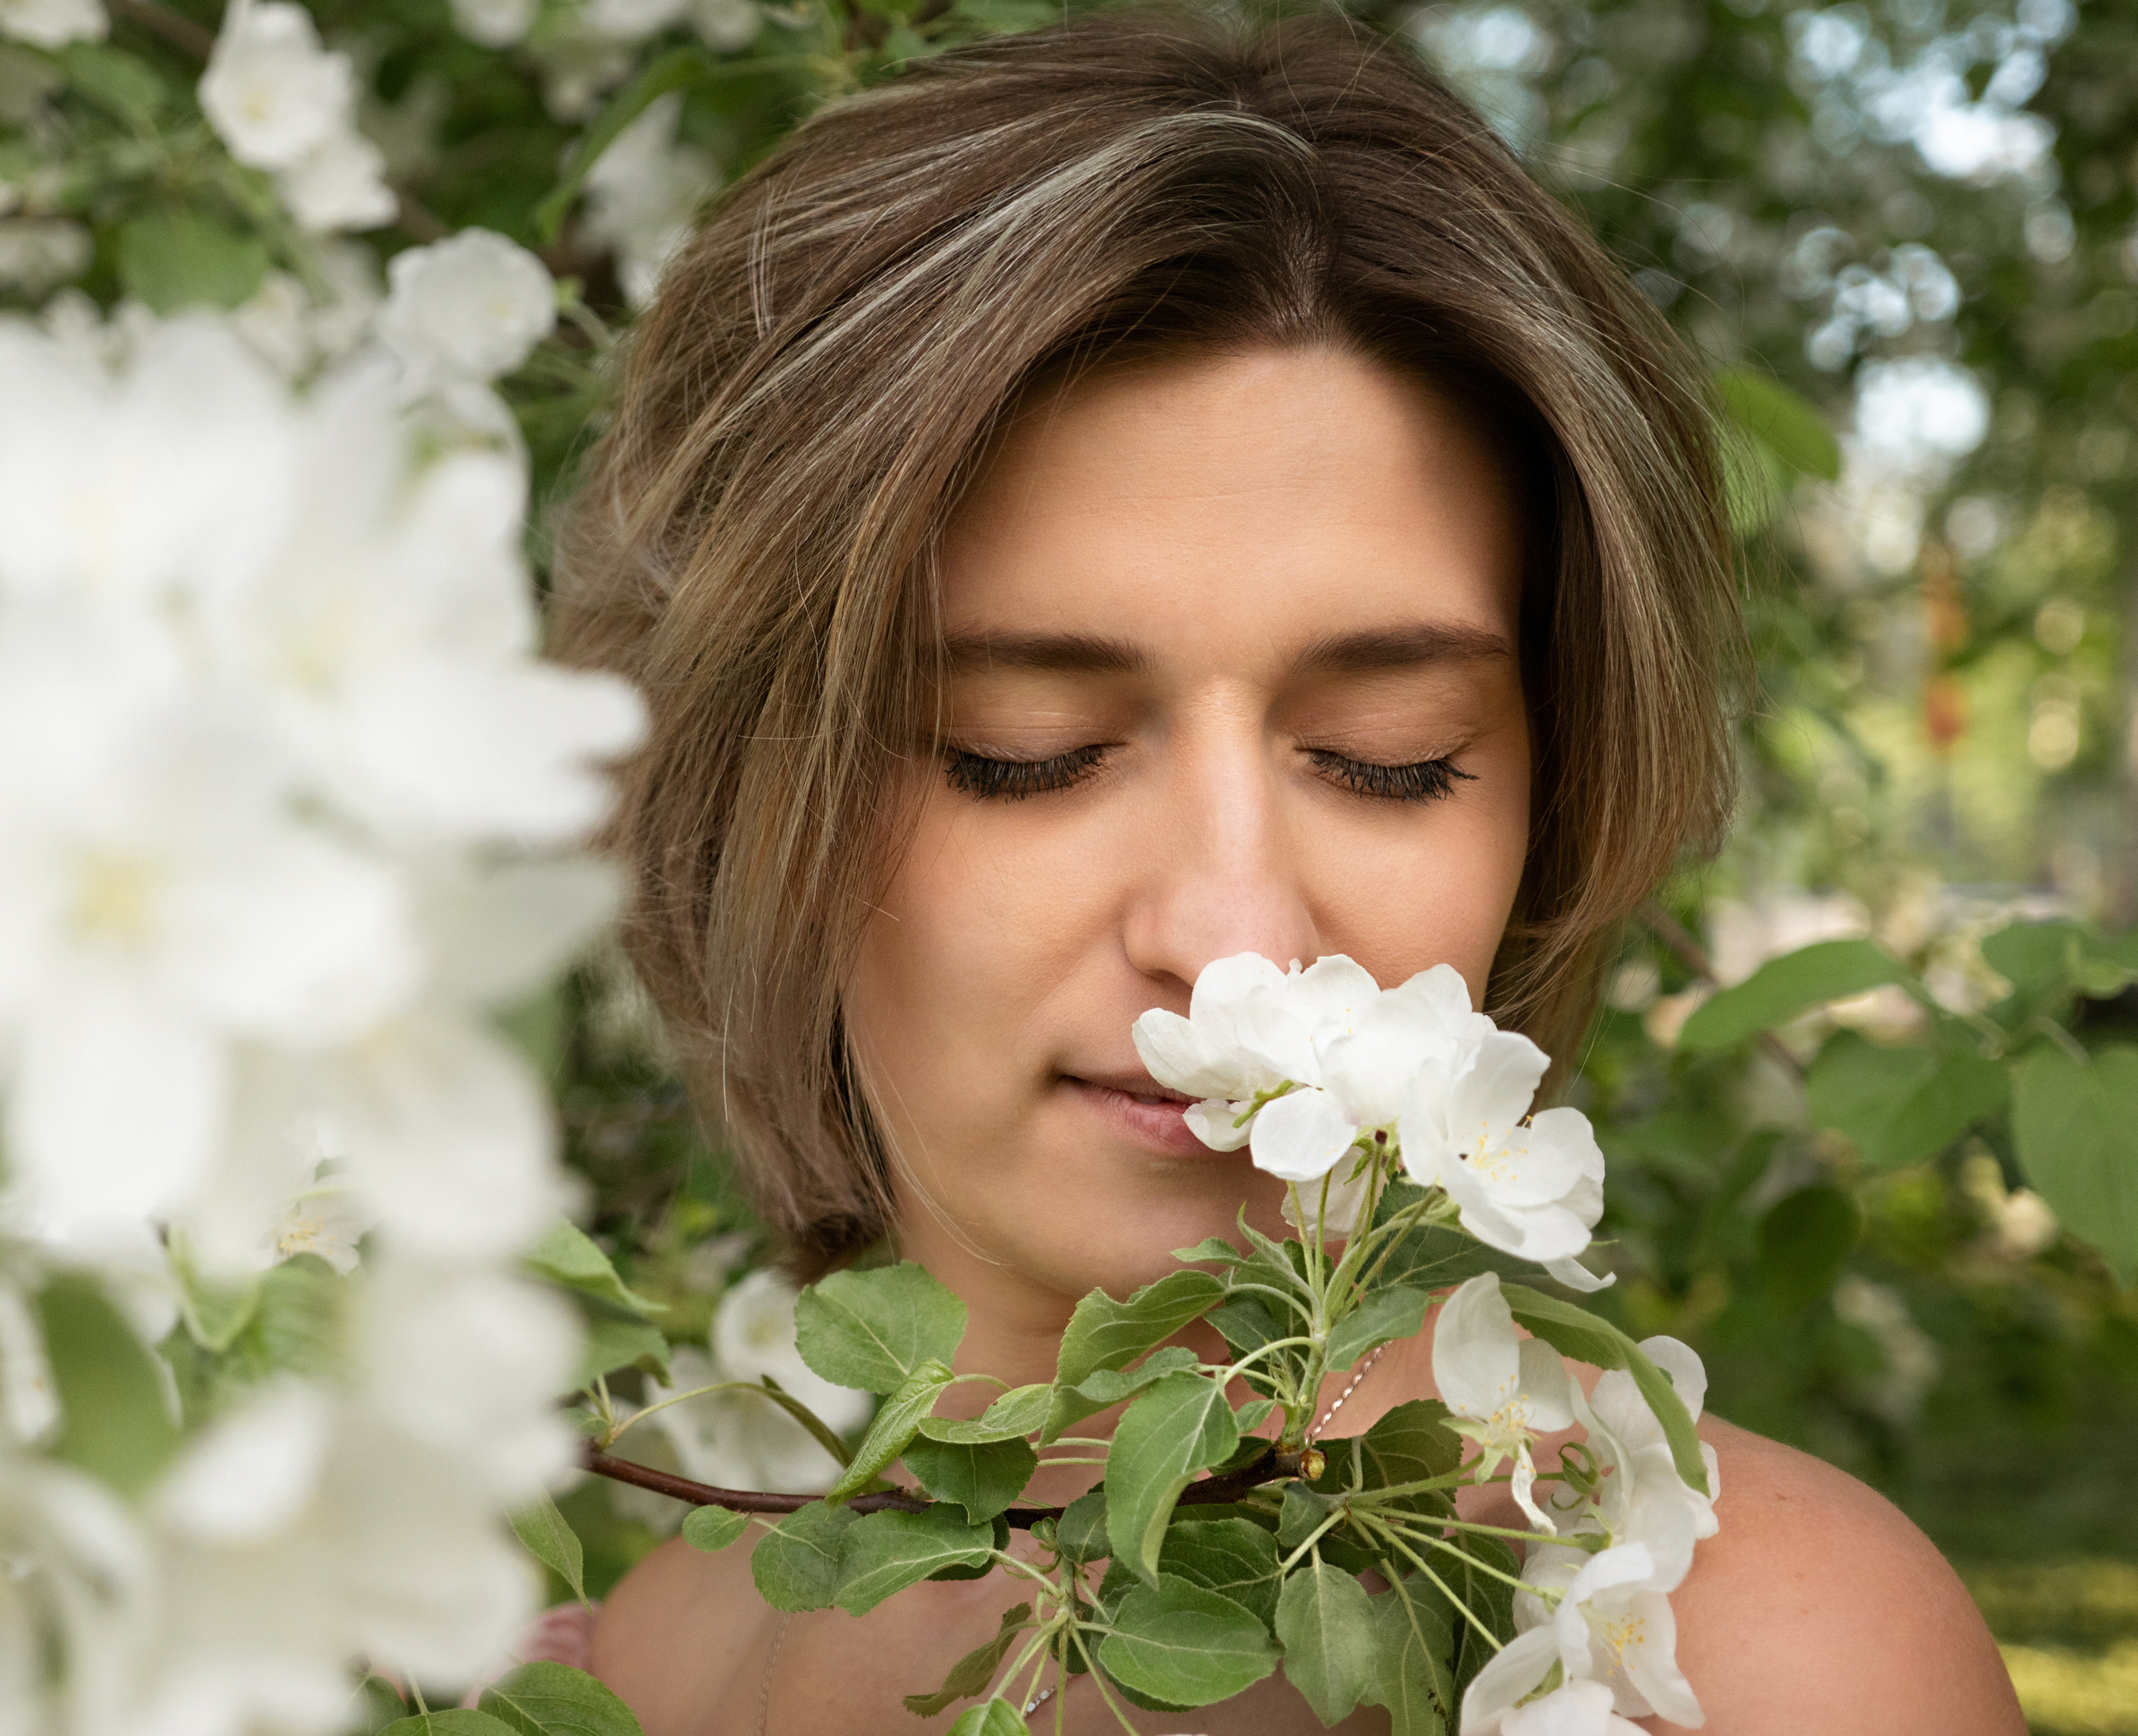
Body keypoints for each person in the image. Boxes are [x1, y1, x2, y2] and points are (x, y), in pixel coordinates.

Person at [550, 9, 2023, 1732]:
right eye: (1022, 749)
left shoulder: (1744, 1654)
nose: (1235, 940)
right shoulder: (614, 1672)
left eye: (1390, 756)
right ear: (734, 789)